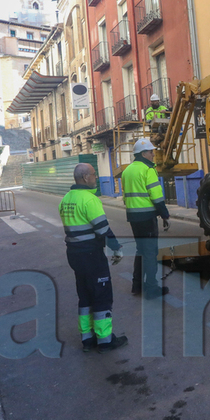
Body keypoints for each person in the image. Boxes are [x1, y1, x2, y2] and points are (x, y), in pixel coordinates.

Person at [59, 163, 128, 353]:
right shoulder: (89, 200)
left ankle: (87, 338)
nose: (96, 177)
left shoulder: (66, 199)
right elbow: (102, 228)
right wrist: (116, 247)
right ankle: (105, 340)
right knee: (101, 296)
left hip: (74, 255)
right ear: (85, 178)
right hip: (91, 255)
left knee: (85, 296)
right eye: (93, 174)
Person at [121, 138, 170, 298]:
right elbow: (156, 196)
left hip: (133, 217)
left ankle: (137, 286)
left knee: (140, 250)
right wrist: (165, 214)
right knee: (150, 253)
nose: (153, 154)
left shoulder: (127, 171)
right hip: (147, 217)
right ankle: (151, 288)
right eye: (151, 151)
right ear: (143, 153)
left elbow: (125, 197)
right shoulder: (148, 169)